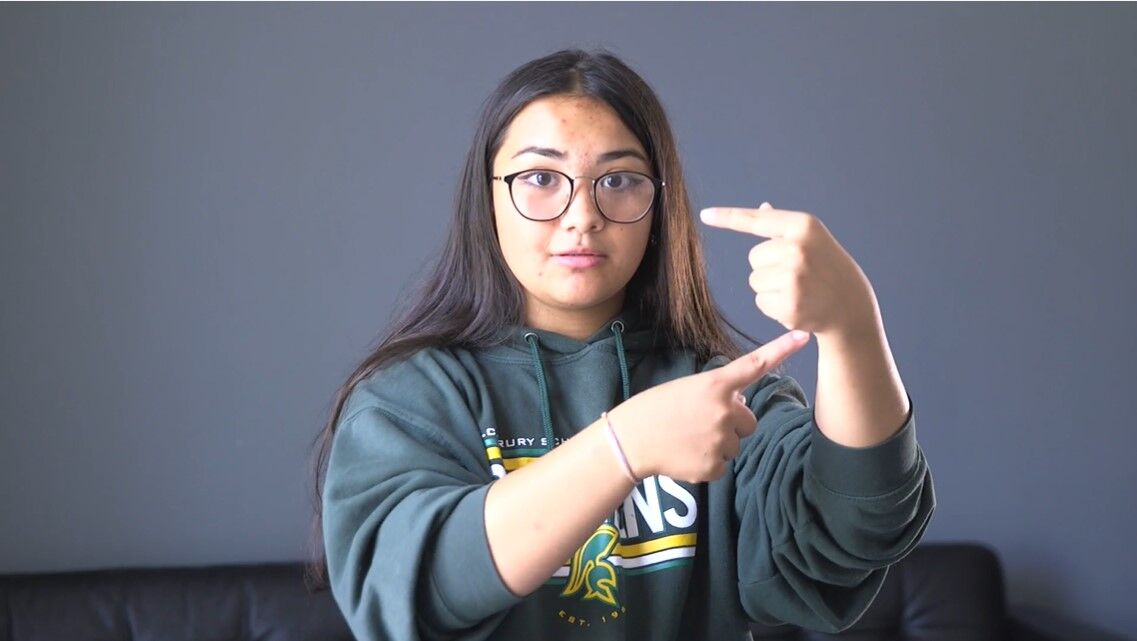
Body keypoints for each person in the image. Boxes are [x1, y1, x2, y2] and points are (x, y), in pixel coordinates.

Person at [307, 48, 934, 641]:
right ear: (487, 197)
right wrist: (623, 446)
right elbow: (412, 589)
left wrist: (854, 330)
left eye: (619, 180)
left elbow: (854, 531)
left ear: (659, 204)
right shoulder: (409, 398)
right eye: (541, 178)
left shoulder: (719, 394)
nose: (582, 213)